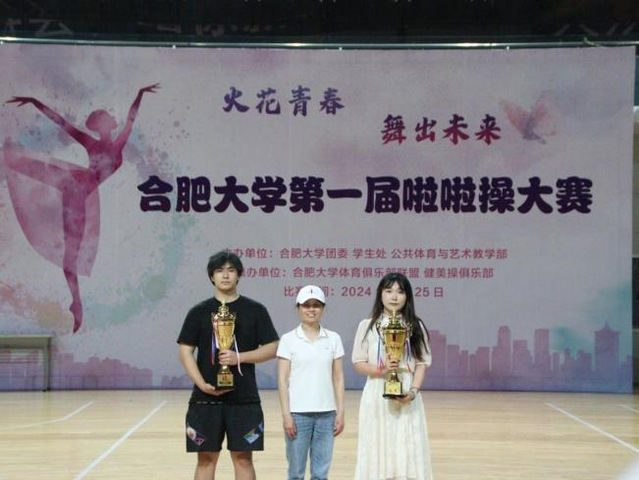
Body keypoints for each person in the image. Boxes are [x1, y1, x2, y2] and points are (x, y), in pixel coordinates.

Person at [4, 84, 159, 332]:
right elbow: (62, 123)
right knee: (24, 165)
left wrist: (139, 94)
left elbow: (131, 118)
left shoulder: (115, 143)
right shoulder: (93, 143)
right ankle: (76, 303)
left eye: (107, 119)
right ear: (100, 126)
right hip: (75, 184)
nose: (108, 122)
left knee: (71, 256)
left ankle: (76, 303)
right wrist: (35, 102)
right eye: (104, 119)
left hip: (77, 193)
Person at [177, 251, 279, 480]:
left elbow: (273, 348)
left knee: (243, 458)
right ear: (211, 276)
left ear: (239, 275)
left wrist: (238, 357)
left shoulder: (256, 310)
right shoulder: (198, 312)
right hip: (205, 401)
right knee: (205, 458)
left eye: (231, 270)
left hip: (245, 400)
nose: (225, 275)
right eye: (219, 271)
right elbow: (185, 351)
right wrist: (201, 384)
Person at [351, 272, 433, 480]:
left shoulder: (415, 325)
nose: (394, 297)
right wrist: (382, 370)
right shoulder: (367, 326)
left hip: (407, 391)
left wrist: (412, 392)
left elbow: (422, 363)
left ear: (407, 296)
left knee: (407, 446)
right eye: (389, 291)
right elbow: (358, 363)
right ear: (380, 294)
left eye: (400, 292)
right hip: (376, 391)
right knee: (377, 446)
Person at [277, 285, 345, 480]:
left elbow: (338, 377)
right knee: (296, 472)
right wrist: (286, 415)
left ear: (323, 308)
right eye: (306, 305)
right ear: (298, 308)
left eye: (316, 305)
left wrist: (340, 412)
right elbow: (282, 380)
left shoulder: (333, 338)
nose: (311, 309)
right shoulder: (288, 339)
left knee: (321, 473)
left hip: (326, 414)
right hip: (298, 415)